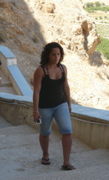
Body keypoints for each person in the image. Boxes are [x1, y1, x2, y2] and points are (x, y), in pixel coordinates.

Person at [33, 42, 75, 170]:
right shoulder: (41, 70)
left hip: (61, 104)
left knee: (67, 130)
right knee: (45, 132)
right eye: (53, 54)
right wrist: (35, 110)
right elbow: (36, 91)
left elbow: (65, 86)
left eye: (58, 54)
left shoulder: (63, 68)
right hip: (45, 106)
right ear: (47, 55)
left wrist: (69, 103)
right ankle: (45, 155)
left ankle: (66, 161)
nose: (56, 57)